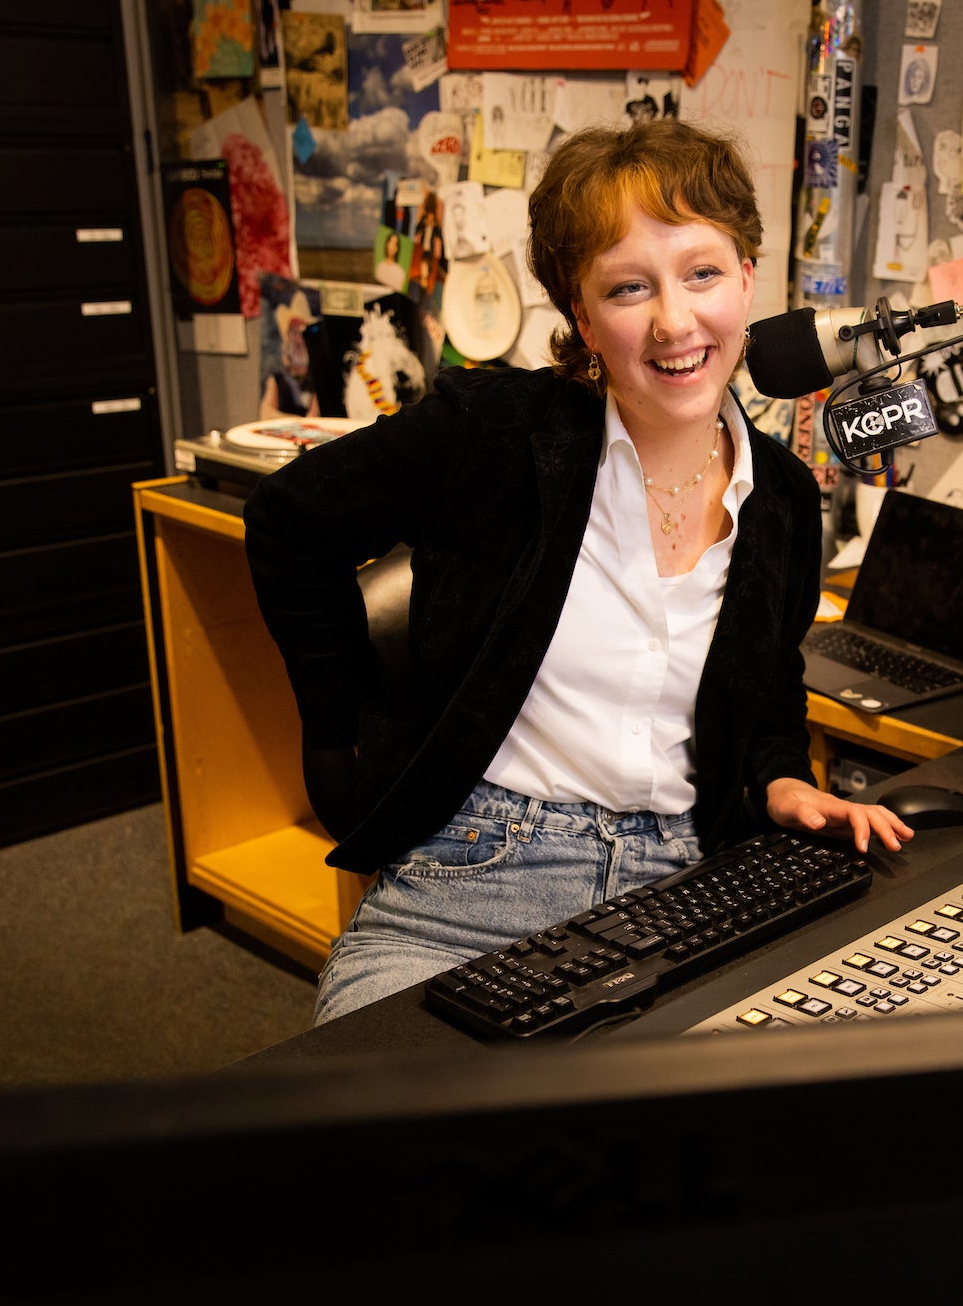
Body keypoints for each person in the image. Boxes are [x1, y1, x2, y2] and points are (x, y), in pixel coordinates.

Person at [245, 120, 914, 1025]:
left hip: (690, 885)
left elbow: (766, 690)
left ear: (749, 279)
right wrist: (340, 731)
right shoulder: (494, 435)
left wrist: (784, 780)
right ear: (581, 315)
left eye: (703, 274)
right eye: (630, 288)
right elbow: (288, 524)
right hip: (473, 885)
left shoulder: (783, 498)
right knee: (392, 1121)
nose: (676, 322)